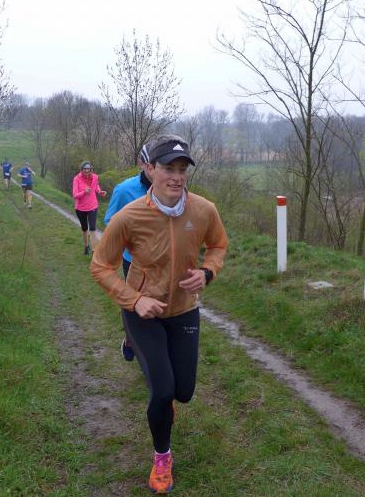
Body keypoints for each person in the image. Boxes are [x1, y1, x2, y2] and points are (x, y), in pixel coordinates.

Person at [90, 134, 228, 494]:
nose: (176, 177)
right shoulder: (129, 216)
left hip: (184, 310)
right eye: (169, 168)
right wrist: (134, 300)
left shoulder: (204, 210)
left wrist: (208, 272)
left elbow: (218, 245)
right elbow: (101, 266)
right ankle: (162, 457)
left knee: (183, 392)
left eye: (182, 169)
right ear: (150, 169)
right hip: (143, 313)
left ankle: (168, 403)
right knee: (162, 390)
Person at [104, 143, 152, 362]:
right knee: (135, 305)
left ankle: (155, 355)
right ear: (142, 163)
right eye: (151, 164)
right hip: (133, 261)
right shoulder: (124, 190)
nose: (156, 169)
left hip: (165, 262)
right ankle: (131, 339)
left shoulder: (173, 190)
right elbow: (110, 221)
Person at [72, 161, 106, 255]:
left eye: (88, 169)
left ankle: (95, 251)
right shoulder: (76, 179)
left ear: (91, 169)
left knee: (92, 228)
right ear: (81, 169)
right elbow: (75, 195)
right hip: (80, 208)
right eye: (85, 169)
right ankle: (86, 246)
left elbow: (96, 186)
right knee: (84, 228)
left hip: (92, 206)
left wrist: (99, 191)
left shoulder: (95, 177)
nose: (87, 171)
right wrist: (84, 192)